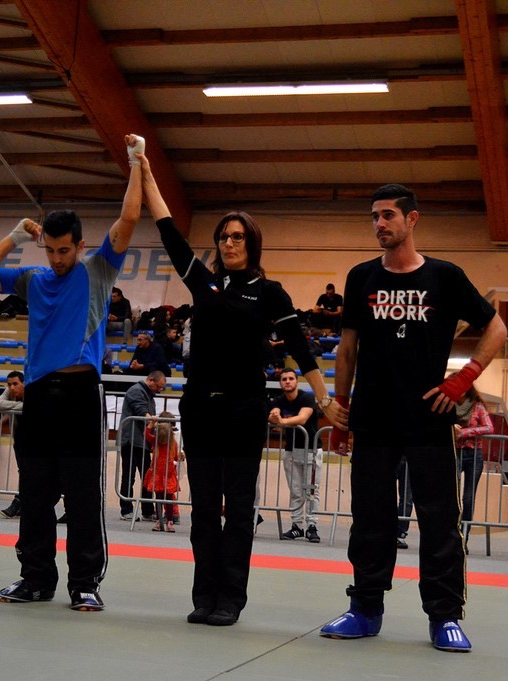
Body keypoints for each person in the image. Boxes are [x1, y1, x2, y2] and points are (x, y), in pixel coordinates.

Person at [140, 147, 335, 627]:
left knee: (239, 508)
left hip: (245, 410)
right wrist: (144, 170)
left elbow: (299, 346)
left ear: (252, 243)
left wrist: (325, 397)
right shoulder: (203, 285)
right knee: (204, 508)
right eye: (224, 236)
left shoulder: (268, 292)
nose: (229, 243)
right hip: (200, 410)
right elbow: (168, 231)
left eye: (237, 236)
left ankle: (231, 598)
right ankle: (204, 595)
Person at [319, 183, 507, 652]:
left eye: (388, 215)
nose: (379, 224)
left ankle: (445, 616)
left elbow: (497, 327)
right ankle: (365, 608)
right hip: (373, 417)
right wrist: (341, 407)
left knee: (439, 518)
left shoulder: (445, 276)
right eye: (374, 216)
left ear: (412, 219)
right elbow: (347, 348)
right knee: (370, 517)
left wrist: (463, 379)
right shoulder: (361, 276)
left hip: (427, 417)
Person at [0, 133, 143, 609]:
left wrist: (137, 162)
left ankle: (84, 583)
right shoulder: (34, 278)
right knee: (35, 492)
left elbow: (129, 217)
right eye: (50, 250)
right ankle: (36, 578)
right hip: (40, 395)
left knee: (83, 495)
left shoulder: (98, 270)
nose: (58, 259)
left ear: (80, 245)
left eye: (65, 250)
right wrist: (16, 237)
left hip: (82, 392)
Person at [269, 367, 323, 543]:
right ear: (280, 383)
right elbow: (273, 413)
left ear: (297, 381)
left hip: (311, 451)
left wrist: (282, 422)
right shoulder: (279, 400)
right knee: (296, 491)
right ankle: (296, 526)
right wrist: (275, 415)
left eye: (291, 378)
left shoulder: (307, 397)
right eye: (284, 379)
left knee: (312, 490)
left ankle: (312, 526)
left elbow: (302, 418)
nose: (287, 382)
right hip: (291, 451)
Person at [118, 370, 166, 521]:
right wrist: (156, 424)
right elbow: (141, 412)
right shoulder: (136, 391)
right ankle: (126, 510)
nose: (159, 390)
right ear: (151, 380)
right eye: (158, 386)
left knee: (147, 477)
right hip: (131, 440)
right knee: (129, 476)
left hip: (142, 441)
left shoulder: (148, 394)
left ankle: (147, 510)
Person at [454, 385, 494, 548]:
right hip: (454, 453)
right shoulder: (448, 405)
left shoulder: (477, 406)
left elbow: (489, 427)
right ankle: (453, 536)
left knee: (468, 498)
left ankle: (464, 538)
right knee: (453, 496)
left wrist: (464, 432)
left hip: (473, 454)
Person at [143, 412, 182, 532]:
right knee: (163, 499)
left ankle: (166, 520)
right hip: (160, 474)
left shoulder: (170, 443)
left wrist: (152, 423)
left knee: (162, 499)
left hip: (166, 475)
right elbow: (176, 457)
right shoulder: (158, 442)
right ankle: (163, 521)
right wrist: (152, 423)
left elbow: (146, 434)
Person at [0, 371, 25, 519]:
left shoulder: (34, 390)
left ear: (24, 383)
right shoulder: (10, 392)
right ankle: (21, 503)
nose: (12, 388)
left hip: (38, 441)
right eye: (9, 384)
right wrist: (20, 406)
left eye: (15, 384)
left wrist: (12, 407)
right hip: (19, 439)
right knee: (24, 472)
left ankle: (19, 502)